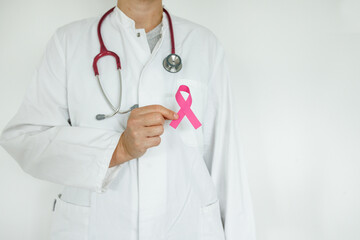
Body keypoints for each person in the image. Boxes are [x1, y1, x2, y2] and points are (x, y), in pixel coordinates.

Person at [0, 0, 256, 239]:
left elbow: (225, 156)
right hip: (98, 226)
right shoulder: (68, 42)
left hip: (187, 225)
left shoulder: (204, 44)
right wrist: (117, 149)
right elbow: (26, 137)